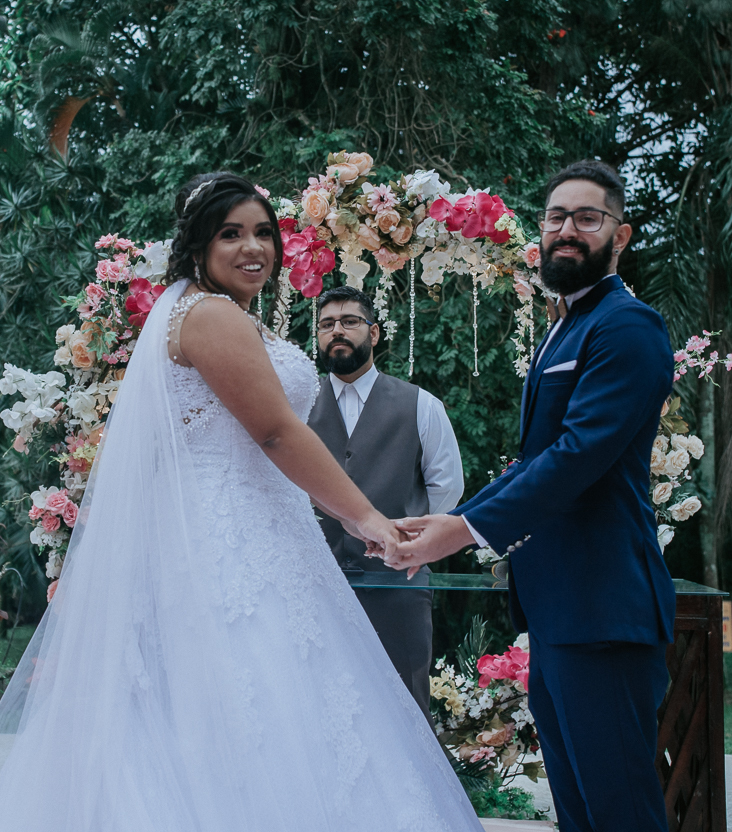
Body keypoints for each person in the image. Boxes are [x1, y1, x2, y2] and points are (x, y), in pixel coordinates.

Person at [0, 173, 483, 832]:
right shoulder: (209, 315)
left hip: (263, 530)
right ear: (199, 245)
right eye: (231, 234)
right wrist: (365, 516)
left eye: (262, 233)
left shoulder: (204, 312)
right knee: (261, 705)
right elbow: (277, 431)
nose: (253, 247)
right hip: (226, 545)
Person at [387, 160, 675, 832]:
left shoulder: (627, 327)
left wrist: (459, 534)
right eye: (555, 217)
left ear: (620, 235)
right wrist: (455, 517)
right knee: (579, 815)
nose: (567, 229)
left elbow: (577, 459)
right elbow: (540, 459)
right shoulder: (565, 324)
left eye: (586, 217)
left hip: (604, 611)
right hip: (558, 612)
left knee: (621, 813)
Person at [308, 285, 463, 720]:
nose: (337, 331)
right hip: (313, 587)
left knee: (403, 711)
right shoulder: (295, 408)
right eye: (326, 324)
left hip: (398, 588)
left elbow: (446, 492)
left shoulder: (422, 406)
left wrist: (404, 537)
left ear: (374, 334)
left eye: (350, 322)